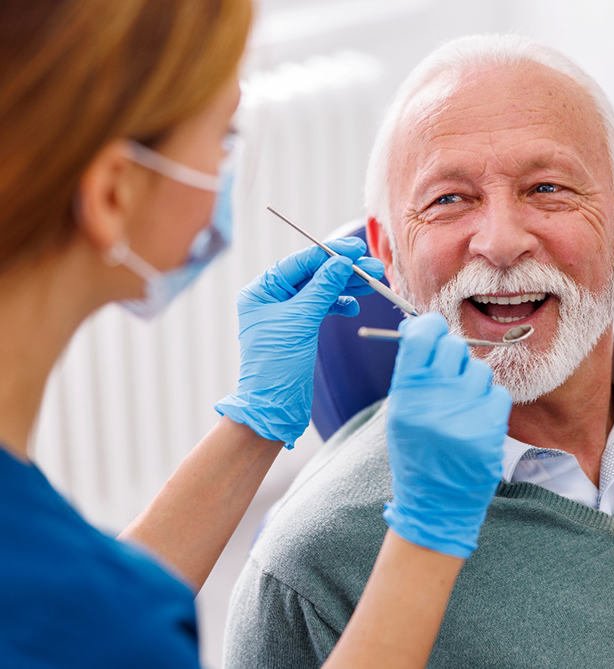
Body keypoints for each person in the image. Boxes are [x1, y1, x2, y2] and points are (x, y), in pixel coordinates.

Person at [0, 3, 514, 667]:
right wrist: (427, 536)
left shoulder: (69, 598)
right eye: (223, 136)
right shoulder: (107, 618)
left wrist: (254, 421)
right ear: (111, 195)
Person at [224, 33, 614, 668]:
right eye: (449, 199)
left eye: (547, 188)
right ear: (389, 256)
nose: (502, 243)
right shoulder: (309, 578)